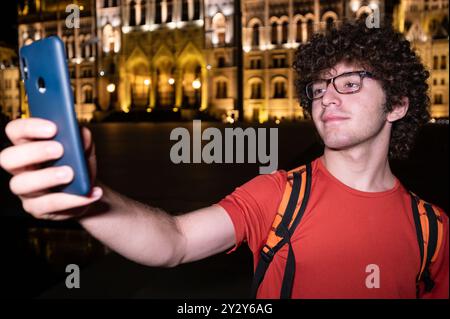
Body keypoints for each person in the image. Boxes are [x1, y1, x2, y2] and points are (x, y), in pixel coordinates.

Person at [0, 20, 448, 299]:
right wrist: (87, 197)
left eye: (350, 83)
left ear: (397, 105)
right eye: (318, 87)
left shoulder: (435, 229)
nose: (327, 97)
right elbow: (172, 241)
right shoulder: (280, 195)